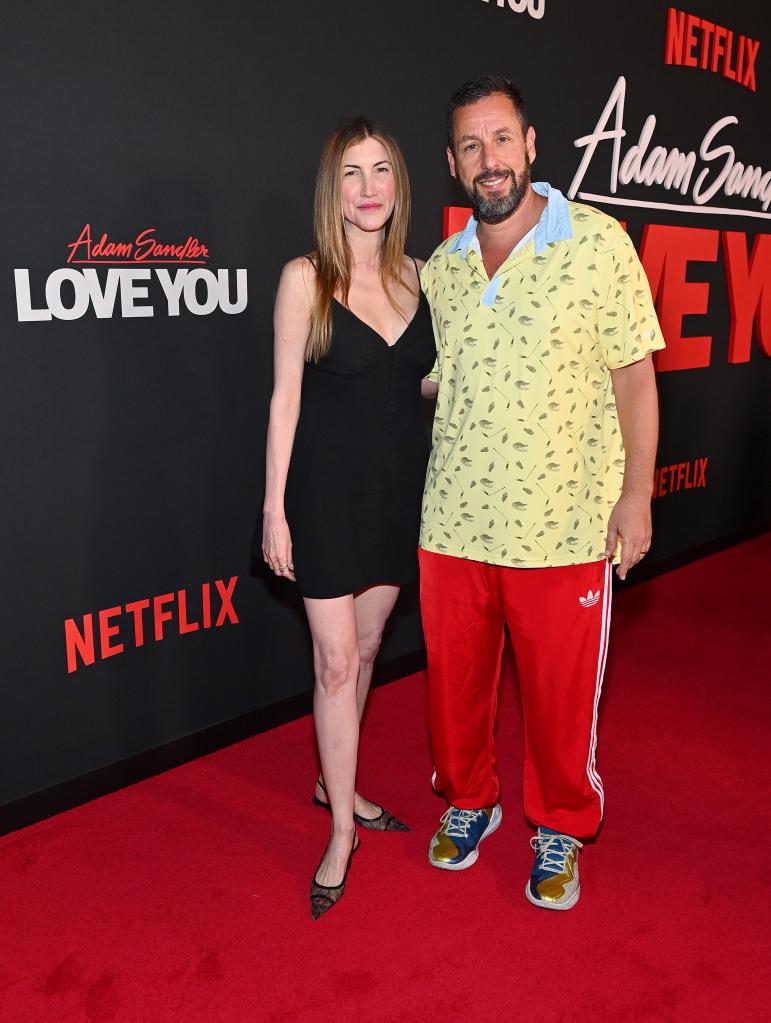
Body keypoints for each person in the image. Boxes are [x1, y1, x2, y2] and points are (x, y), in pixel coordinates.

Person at [419, 77, 664, 910]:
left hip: (562, 525)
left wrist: (636, 495)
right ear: (453, 166)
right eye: (470, 147)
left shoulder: (598, 243)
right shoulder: (443, 269)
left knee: (561, 699)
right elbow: (443, 374)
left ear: (530, 145)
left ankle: (559, 824)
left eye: (500, 140)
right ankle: (468, 800)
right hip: (452, 517)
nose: (489, 161)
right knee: (452, 687)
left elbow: (635, 377)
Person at [262, 117, 436, 919]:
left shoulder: (424, 276)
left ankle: (339, 778)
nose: (368, 190)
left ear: (398, 184)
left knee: (366, 649)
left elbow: (423, 387)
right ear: (332, 190)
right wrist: (273, 508)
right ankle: (341, 831)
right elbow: (285, 399)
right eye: (351, 175)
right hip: (324, 499)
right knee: (334, 663)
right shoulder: (305, 278)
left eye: (381, 172)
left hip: (399, 494)